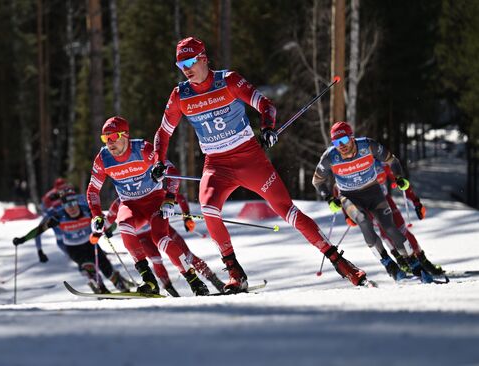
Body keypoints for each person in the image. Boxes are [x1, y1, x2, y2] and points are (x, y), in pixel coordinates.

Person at [151, 36, 368, 293]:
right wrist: (158, 161)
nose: (186, 68)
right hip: (216, 165)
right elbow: (163, 133)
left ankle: (340, 262)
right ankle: (235, 274)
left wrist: (267, 127)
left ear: (204, 58)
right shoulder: (180, 95)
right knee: (209, 211)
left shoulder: (229, 80)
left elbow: (265, 104)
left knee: (287, 211)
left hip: (250, 159)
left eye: (189, 61)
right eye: (180, 64)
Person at [86, 116, 210, 296]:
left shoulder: (143, 149)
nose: (109, 143)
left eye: (113, 137)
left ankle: (194, 281)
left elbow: (172, 172)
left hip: (154, 201)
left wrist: (169, 198)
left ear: (125, 136)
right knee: (125, 226)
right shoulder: (102, 158)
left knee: (161, 239)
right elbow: (92, 190)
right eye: (105, 138)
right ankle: (148, 279)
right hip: (130, 204)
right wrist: (96, 215)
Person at [312, 121, 435, 283]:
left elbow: (392, 160)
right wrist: (329, 198)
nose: (340, 146)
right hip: (349, 197)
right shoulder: (330, 157)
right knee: (364, 221)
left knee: (391, 228)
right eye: (336, 142)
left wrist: (399, 177)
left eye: (343, 140)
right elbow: (317, 181)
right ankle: (388, 263)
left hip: (373, 192)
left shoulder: (368, 145)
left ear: (352, 138)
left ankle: (415, 264)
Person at [104, 194, 225, 296]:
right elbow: (108, 219)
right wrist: (104, 230)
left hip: (162, 229)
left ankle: (215, 281)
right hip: (143, 237)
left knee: (186, 256)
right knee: (156, 259)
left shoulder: (148, 187)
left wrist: (186, 216)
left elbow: (179, 197)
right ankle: (169, 290)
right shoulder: (120, 201)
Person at [12, 192, 131, 294]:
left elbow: (110, 221)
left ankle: (122, 287)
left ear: (77, 202)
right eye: (68, 205)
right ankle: (100, 288)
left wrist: (109, 229)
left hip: (90, 243)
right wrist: (23, 239)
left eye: (73, 203)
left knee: (106, 267)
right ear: (63, 206)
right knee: (88, 266)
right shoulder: (58, 217)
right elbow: (38, 231)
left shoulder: (87, 211)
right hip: (73, 248)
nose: (72, 208)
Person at [373, 161, 444, 275]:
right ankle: (402, 262)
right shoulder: (349, 167)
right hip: (370, 205)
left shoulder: (380, 164)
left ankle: (423, 261)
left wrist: (416, 202)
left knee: (402, 229)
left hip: (385, 200)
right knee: (386, 233)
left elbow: (400, 181)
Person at [32, 177, 74, 263]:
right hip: (60, 235)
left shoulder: (68, 192)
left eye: (64, 188)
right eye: (60, 189)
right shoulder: (49, 197)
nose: (63, 190)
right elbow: (37, 233)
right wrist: (40, 251)